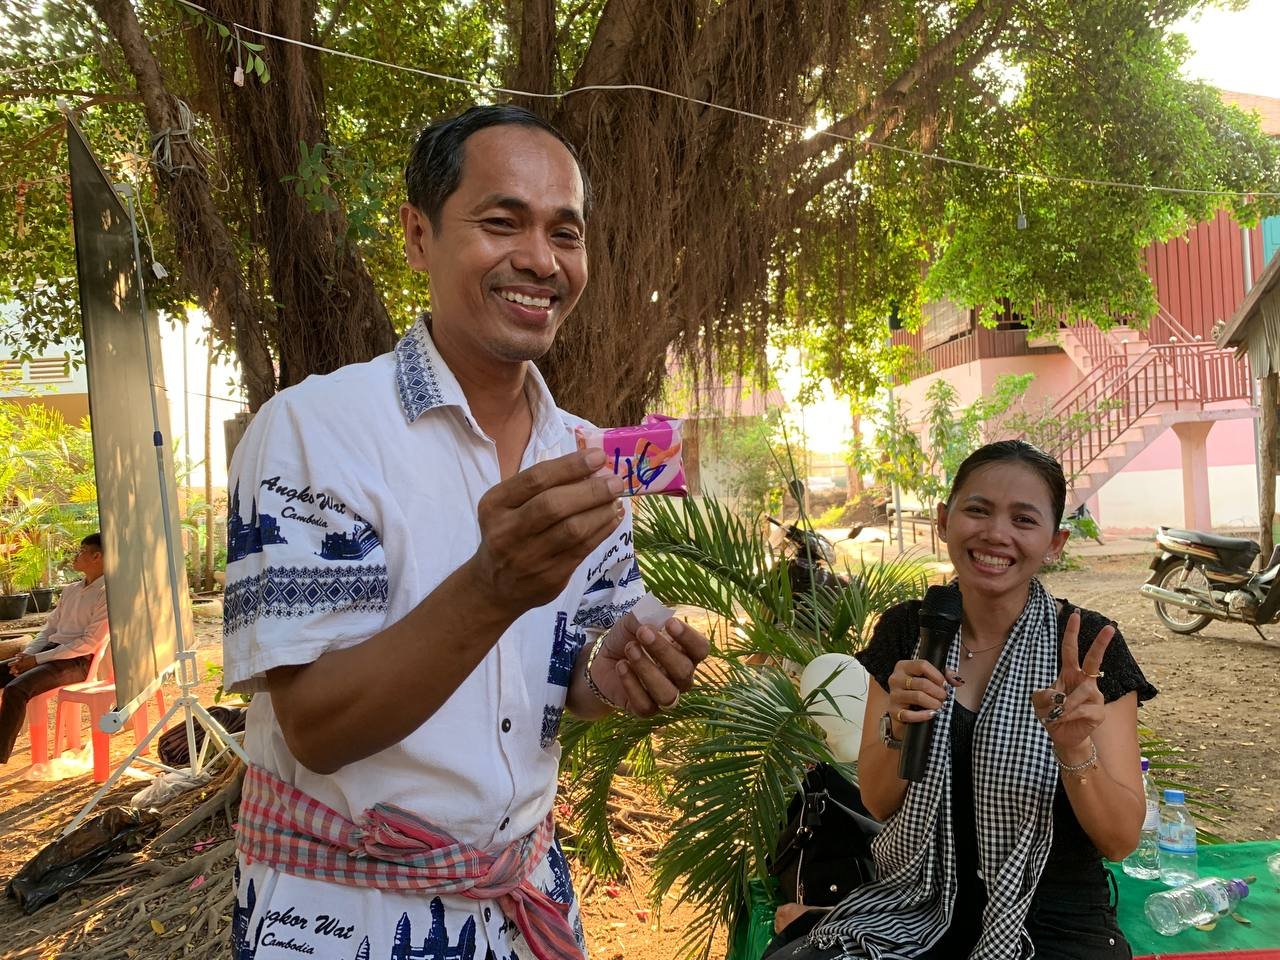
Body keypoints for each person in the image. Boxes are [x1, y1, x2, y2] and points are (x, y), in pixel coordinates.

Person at [221, 104, 710, 960]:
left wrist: (621, 671)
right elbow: (318, 729)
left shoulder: (586, 457)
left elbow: (566, 680)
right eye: (501, 221)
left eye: (567, 232)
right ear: (417, 235)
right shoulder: (315, 431)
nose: (540, 259)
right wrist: (491, 588)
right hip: (341, 916)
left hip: (524, 898)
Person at [767, 440, 1157, 960]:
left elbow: (1120, 840)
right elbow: (880, 802)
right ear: (944, 520)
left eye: (1023, 519)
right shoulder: (910, 630)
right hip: (909, 907)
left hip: (1051, 922)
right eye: (978, 510)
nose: (996, 534)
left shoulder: (1086, 646)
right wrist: (896, 726)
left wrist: (1072, 750)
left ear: (1055, 542)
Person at [1, 532, 109, 765]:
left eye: (81, 551)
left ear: (96, 556)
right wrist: (29, 654)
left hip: (78, 662)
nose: (75, 556)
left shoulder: (107, 594)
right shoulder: (70, 590)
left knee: (16, 690)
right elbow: (49, 629)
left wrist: (37, 660)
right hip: (50, 652)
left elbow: (89, 643)